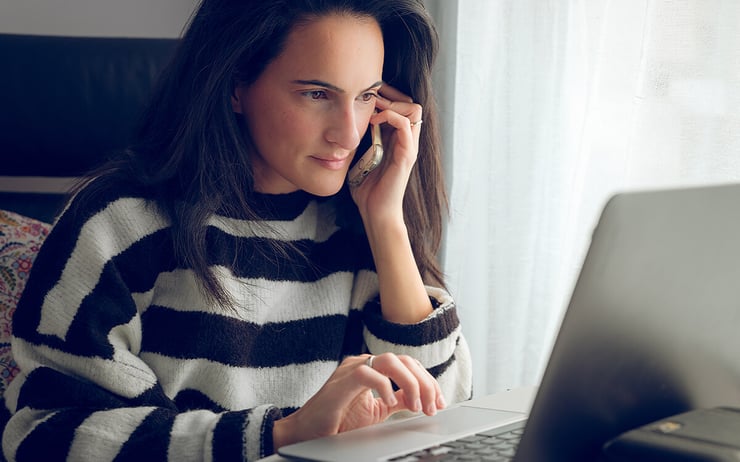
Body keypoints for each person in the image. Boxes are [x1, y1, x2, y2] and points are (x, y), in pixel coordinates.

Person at [2, 0, 472, 460]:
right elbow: (46, 435)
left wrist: (386, 220)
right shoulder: (119, 223)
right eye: (316, 94)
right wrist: (282, 434)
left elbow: (435, 412)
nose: (347, 134)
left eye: (367, 96)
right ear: (235, 86)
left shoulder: (357, 224)